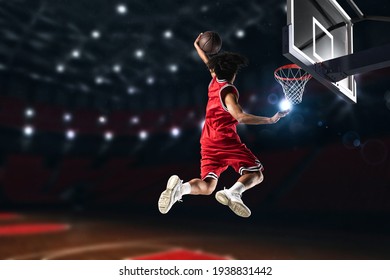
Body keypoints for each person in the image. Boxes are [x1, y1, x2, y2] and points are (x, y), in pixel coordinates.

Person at [158, 33, 289, 218]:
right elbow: (240, 117)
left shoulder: (214, 81)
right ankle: (233, 192)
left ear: (215, 70)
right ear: (234, 73)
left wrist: (197, 46)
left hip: (208, 141)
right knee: (257, 174)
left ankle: (180, 189)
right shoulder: (228, 91)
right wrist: (270, 120)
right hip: (225, 140)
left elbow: (208, 64)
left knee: (208, 186)